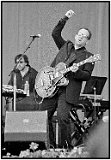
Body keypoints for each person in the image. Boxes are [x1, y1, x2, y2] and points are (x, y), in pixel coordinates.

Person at [39, 10, 95, 149]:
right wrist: (65, 18)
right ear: (76, 36)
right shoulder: (66, 46)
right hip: (52, 87)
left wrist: (77, 72)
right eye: (80, 33)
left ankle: (65, 149)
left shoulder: (88, 56)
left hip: (68, 90)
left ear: (87, 40)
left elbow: (87, 75)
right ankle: (51, 147)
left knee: (63, 118)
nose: (81, 36)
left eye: (85, 36)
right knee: (43, 116)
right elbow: (55, 34)